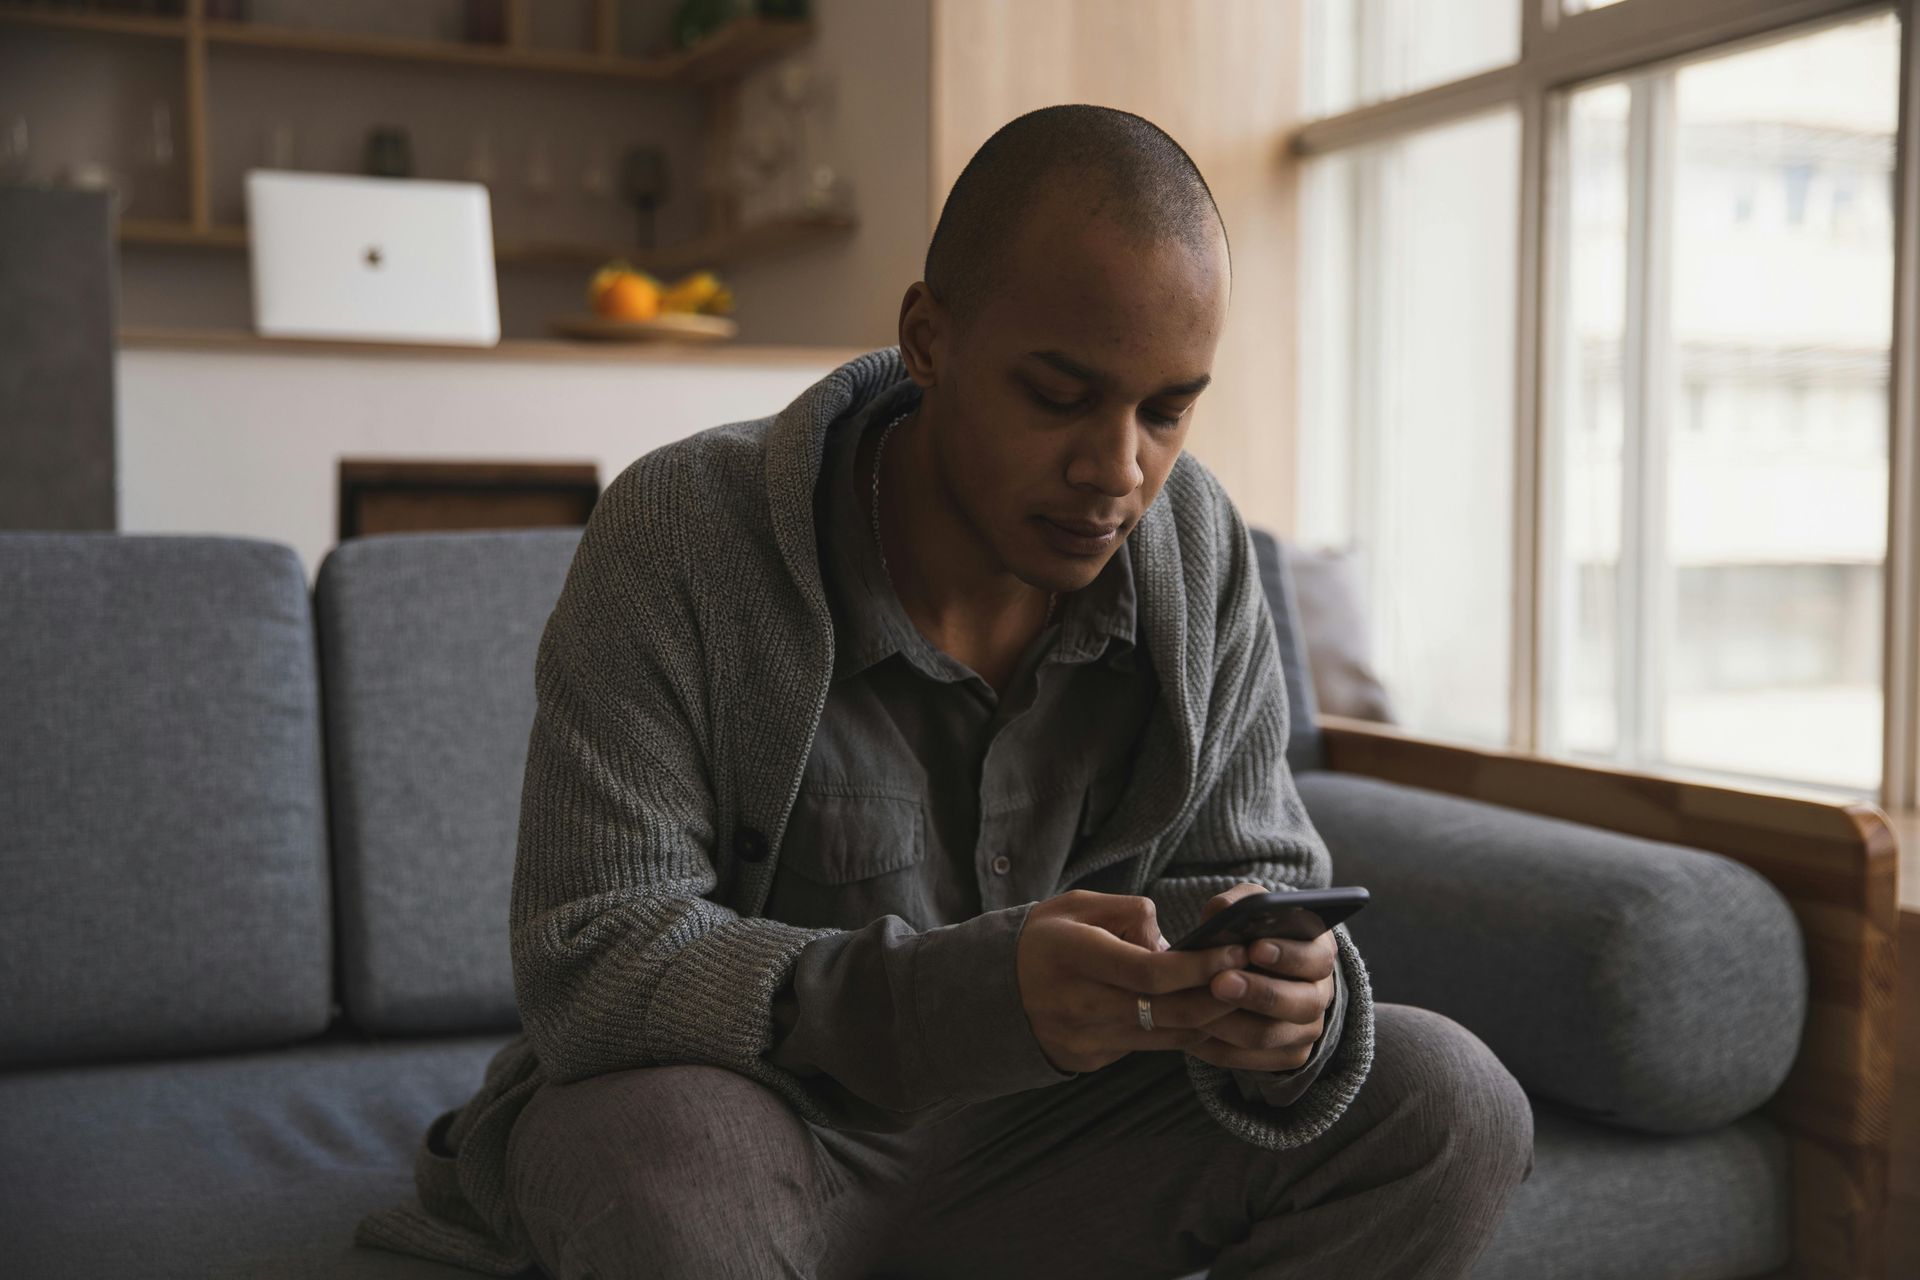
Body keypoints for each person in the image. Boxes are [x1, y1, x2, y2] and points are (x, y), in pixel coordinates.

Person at [356, 103, 1534, 1280]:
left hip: (1047, 1147)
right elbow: (593, 957)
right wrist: (953, 994)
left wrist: (1281, 1010)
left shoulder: (1196, 545)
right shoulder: (681, 534)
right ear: (928, 339)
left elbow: (1245, 880)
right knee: (668, 1164)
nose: (1118, 471)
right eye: (1060, 395)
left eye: (1166, 409)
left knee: (1450, 1101)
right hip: (753, 1127)